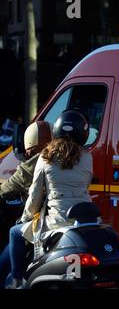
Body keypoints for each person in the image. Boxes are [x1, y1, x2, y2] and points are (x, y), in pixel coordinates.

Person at [7, 110, 93, 288]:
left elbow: (34, 195)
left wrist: (26, 218)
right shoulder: (87, 158)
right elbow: (85, 186)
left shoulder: (45, 157)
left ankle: (16, 282)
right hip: (86, 218)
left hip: (58, 221)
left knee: (15, 232)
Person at [0, 121, 52, 287]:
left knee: (14, 234)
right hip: (65, 218)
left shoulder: (29, 167)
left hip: (39, 224)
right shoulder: (67, 158)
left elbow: (5, 190)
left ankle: (17, 282)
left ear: (30, 142)